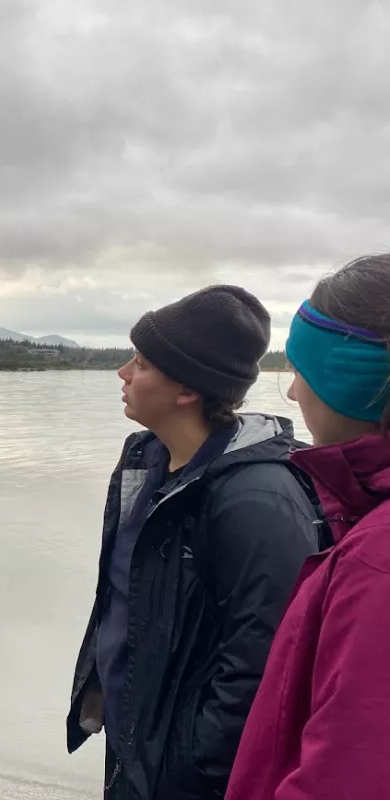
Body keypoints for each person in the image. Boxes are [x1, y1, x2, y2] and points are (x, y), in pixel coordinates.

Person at [66, 285, 321, 799]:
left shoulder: (258, 498)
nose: (123, 374)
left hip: (185, 775)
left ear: (186, 390)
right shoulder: (145, 461)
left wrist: (193, 766)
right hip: (134, 744)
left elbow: (262, 665)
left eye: (139, 362)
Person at [226, 256, 390, 800]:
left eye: (300, 371)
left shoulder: (377, 559)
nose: (294, 394)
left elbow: (345, 776)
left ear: (355, 384)